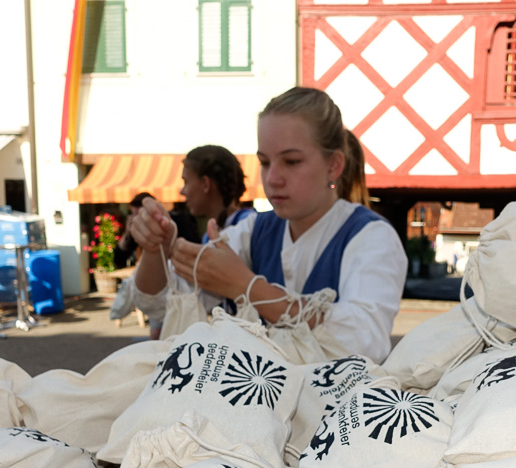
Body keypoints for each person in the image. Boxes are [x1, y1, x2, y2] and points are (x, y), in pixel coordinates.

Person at [127, 86, 407, 362]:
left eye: (292, 161)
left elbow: (364, 342)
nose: (273, 178)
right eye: (264, 162)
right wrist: (157, 248)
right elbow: (162, 305)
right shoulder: (251, 232)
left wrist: (246, 286)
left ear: (333, 165)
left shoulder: (372, 236)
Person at [177, 145, 255, 242]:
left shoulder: (250, 225)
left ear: (206, 184)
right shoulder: (208, 237)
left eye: (186, 182)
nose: (182, 191)